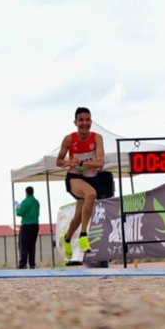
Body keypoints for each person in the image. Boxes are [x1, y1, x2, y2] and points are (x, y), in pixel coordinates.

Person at [56, 107, 104, 259]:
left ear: (91, 121)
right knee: (91, 194)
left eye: (87, 120)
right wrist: (68, 162)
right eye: (81, 120)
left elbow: (100, 163)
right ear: (75, 122)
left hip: (91, 178)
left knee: (77, 216)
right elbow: (58, 161)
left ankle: (67, 238)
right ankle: (84, 235)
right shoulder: (69, 139)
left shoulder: (97, 138)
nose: (84, 123)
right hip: (74, 177)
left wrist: (82, 162)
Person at [15, 187, 40, 269]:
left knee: (23, 244)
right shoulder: (36, 202)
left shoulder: (25, 202)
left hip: (26, 224)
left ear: (26, 192)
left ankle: (23, 263)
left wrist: (17, 206)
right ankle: (32, 263)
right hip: (35, 224)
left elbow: (19, 213)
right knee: (32, 244)